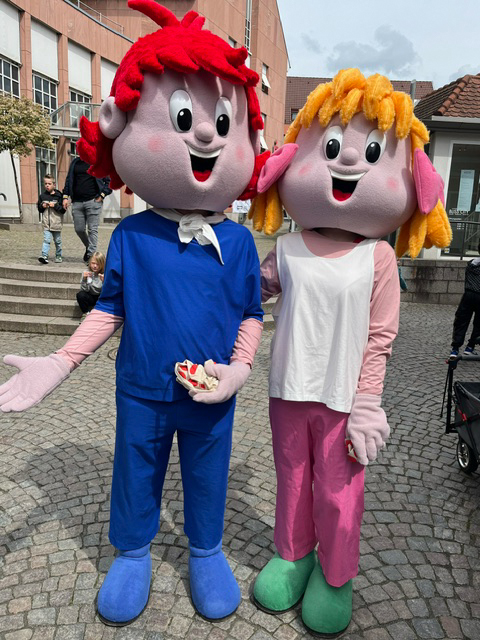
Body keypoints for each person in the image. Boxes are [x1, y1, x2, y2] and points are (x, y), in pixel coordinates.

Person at [0, 0, 270, 627]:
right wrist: (63, 360)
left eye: (220, 123)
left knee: (208, 472)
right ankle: (132, 552)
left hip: (211, 389)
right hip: (142, 387)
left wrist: (239, 370)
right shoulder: (131, 235)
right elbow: (112, 307)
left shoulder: (236, 243)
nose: (206, 137)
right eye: (183, 119)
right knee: (135, 467)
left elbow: (251, 313)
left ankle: (205, 550)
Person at [248, 69, 451, 636]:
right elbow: (249, 294)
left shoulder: (378, 258)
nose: (348, 163)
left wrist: (368, 402)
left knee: (339, 494)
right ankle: (293, 556)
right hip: (287, 389)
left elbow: (382, 336)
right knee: (292, 481)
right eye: (332, 149)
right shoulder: (287, 247)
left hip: (343, 398)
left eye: (370, 153)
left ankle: (336, 575)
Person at [62, 156, 111, 263]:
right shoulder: (75, 162)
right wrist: (65, 196)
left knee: (92, 229)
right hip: (77, 202)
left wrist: (102, 195)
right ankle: (89, 247)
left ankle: (91, 256)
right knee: (79, 229)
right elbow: (69, 180)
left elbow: (109, 181)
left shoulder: (98, 161)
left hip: (93, 201)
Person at [450, 239, 480, 357]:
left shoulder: (471, 264)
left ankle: (455, 348)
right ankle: (470, 347)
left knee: (461, 320)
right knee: (479, 323)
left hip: (468, 294)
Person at [37, 174, 64, 264]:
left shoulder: (59, 196)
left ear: (54, 185)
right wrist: (42, 206)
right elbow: (39, 209)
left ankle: (58, 255)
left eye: (49, 184)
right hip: (46, 224)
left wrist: (55, 206)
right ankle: (44, 256)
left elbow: (63, 210)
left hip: (56, 223)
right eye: (45, 184)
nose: (47, 185)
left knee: (57, 241)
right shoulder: (42, 196)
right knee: (46, 240)